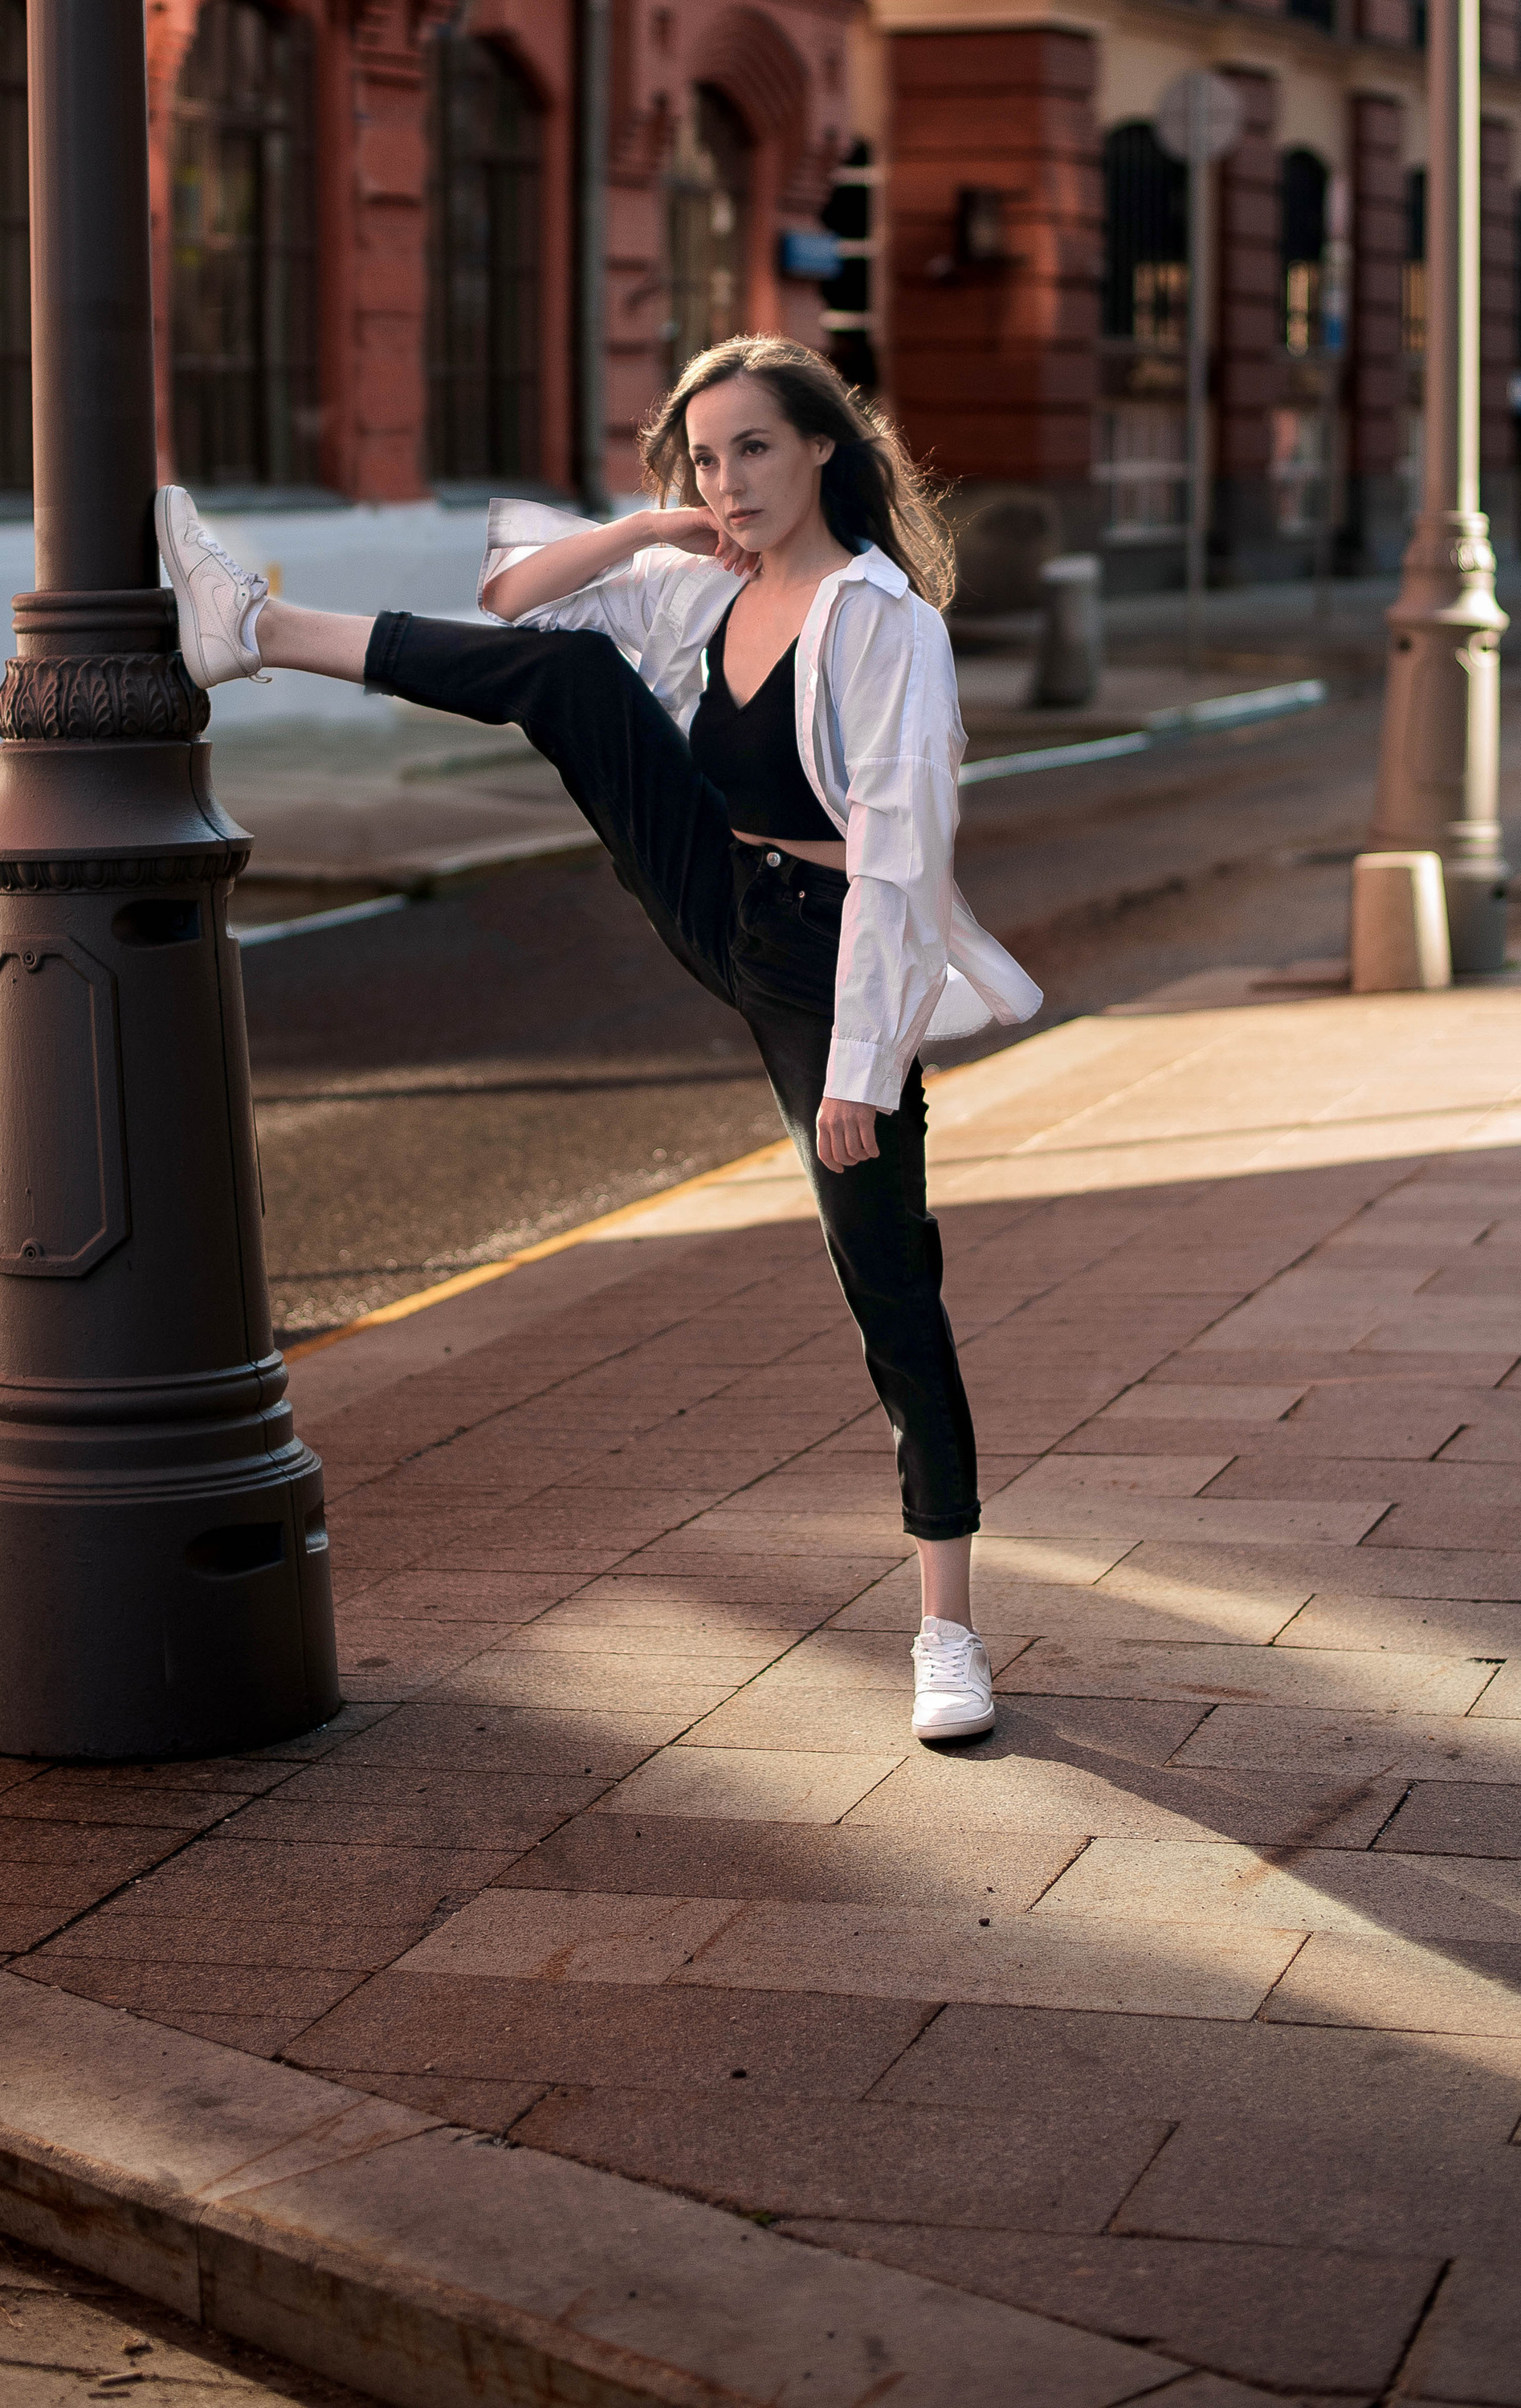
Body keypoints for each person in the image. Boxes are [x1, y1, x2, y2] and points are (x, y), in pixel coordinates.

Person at [154, 333, 1042, 1742]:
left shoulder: (883, 622)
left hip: (828, 955)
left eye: (755, 447)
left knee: (890, 1283)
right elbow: (513, 600)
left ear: (824, 445)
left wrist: (864, 1072)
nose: (730, 481)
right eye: (705, 456)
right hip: (719, 888)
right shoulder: (706, 577)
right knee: (565, 678)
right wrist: (646, 526)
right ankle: (247, 630)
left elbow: (900, 851)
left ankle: (947, 1630)